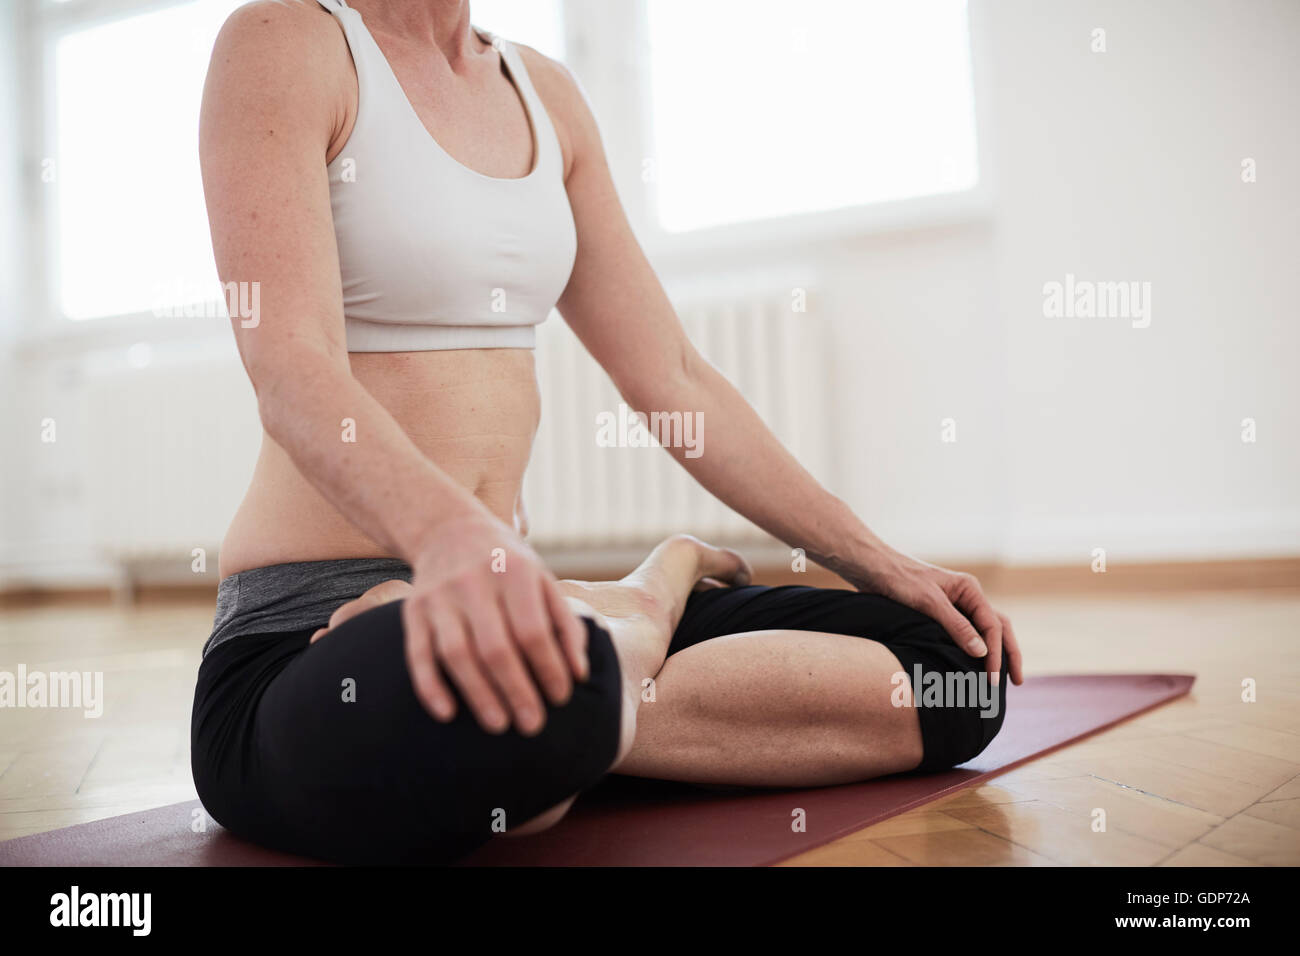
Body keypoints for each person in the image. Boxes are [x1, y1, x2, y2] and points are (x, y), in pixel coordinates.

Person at [191, 0, 1023, 864]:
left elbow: (674, 376)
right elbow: (291, 368)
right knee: (553, 691)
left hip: (520, 607)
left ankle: (593, 667)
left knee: (956, 670)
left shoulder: (543, 93)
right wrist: (448, 547)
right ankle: (646, 601)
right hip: (310, 640)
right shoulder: (285, 41)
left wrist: (881, 562)